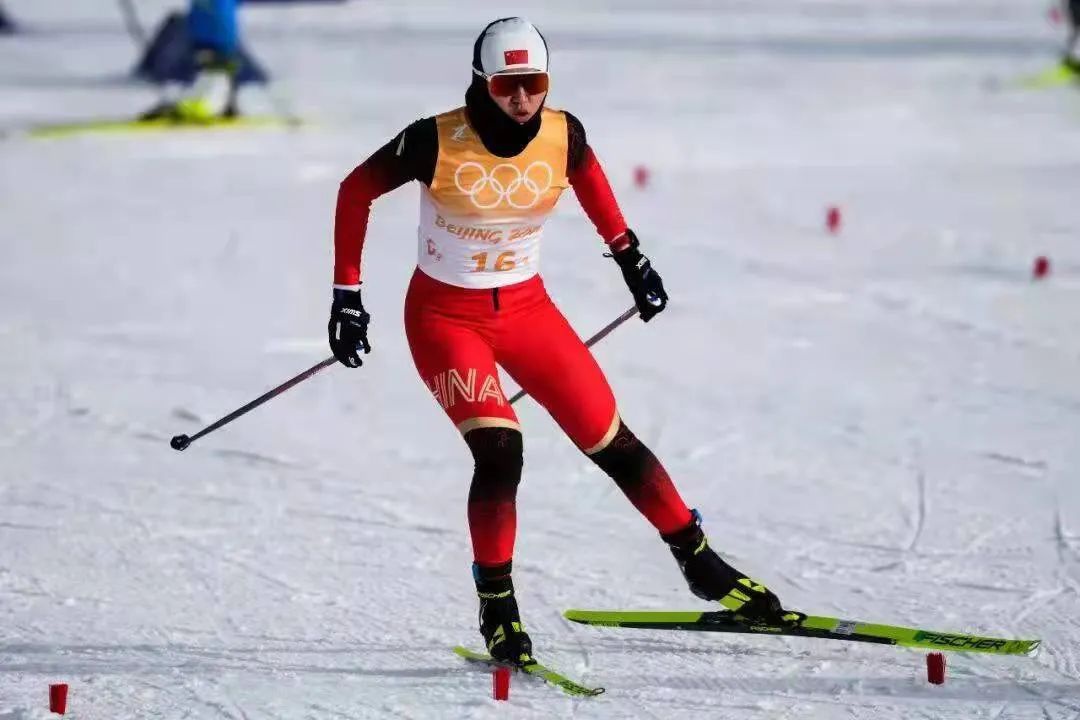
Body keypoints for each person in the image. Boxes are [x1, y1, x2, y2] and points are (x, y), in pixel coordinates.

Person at [328, 17, 800, 666]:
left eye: (535, 82)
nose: (523, 98)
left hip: (527, 310)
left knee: (614, 442)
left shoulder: (563, 133)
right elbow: (355, 190)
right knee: (500, 451)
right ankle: (498, 607)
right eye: (507, 85)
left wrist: (631, 258)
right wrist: (347, 295)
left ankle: (700, 562)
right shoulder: (434, 139)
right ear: (481, 82)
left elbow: (592, 182)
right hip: (445, 317)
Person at [142, 0, 240, 121]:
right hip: (206, 44)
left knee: (215, 69)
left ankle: (215, 100)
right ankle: (216, 100)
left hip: (217, 47)